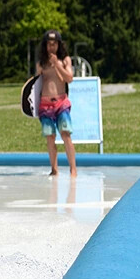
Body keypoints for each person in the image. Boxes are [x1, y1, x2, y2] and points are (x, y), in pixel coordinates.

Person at [36, 30, 77, 176]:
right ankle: (54, 169)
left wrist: (57, 65)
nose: (51, 47)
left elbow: (69, 78)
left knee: (65, 133)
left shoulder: (65, 60)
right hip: (45, 104)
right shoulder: (41, 63)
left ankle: (73, 169)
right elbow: (36, 84)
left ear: (59, 45)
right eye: (49, 44)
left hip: (61, 103)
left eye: (54, 44)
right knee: (50, 136)